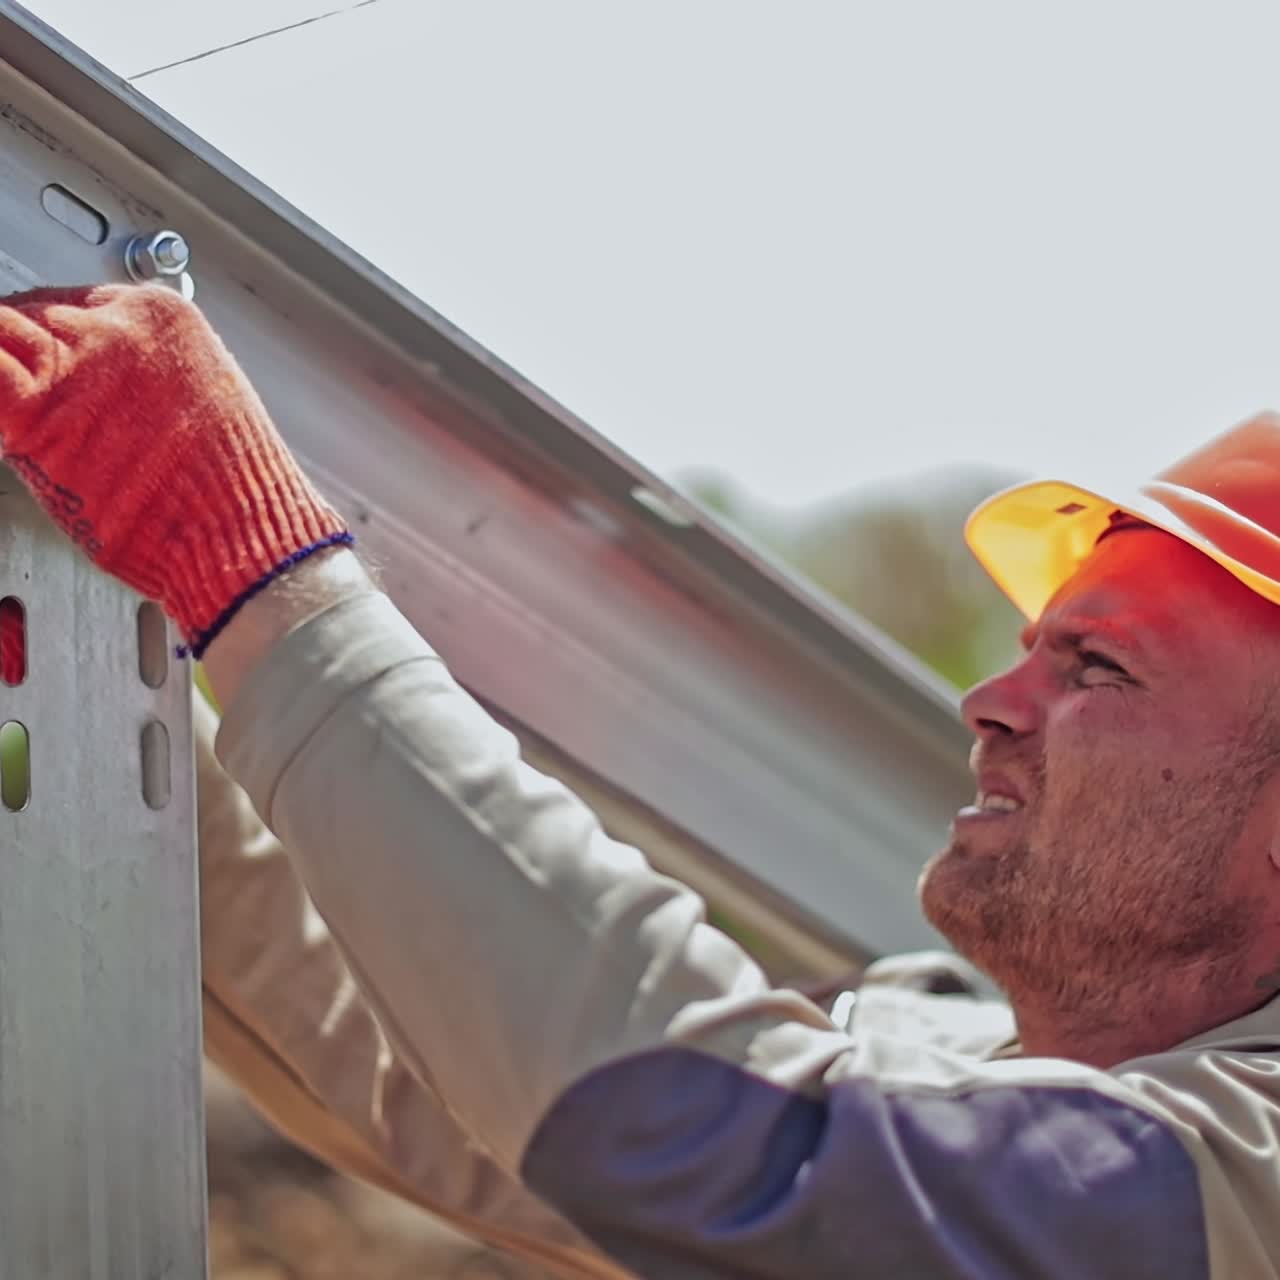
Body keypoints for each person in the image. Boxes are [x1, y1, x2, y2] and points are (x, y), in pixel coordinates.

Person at [1, 283, 1277, 1278]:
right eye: (1027, 652)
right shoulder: (940, 1047)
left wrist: (265, 576)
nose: (990, 703)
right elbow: (444, 1073)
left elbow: (745, 1150)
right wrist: (127, 684)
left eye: (1097, 666)